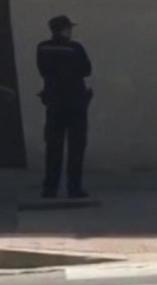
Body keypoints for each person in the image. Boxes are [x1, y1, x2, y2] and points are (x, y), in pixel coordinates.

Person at [37, 15, 92, 199]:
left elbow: (42, 70)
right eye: (69, 28)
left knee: (53, 147)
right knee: (76, 147)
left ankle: (50, 188)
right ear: (64, 30)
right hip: (75, 102)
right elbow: (86, 70)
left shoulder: (42, 47)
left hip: (54, 102)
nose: (71, 31)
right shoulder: (75, 48)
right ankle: (74, 188)